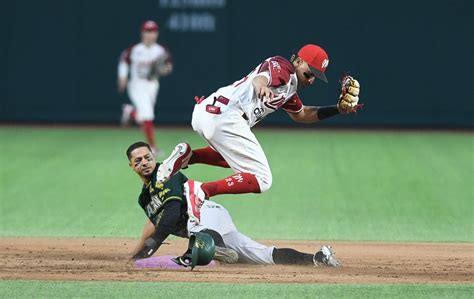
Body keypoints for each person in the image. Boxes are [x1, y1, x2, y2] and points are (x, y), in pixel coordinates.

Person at [156, 44, 361, 202]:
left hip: (205, 114)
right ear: (297, 61)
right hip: (227, 118)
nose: (311, 80)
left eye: (316, 77)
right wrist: (262, 87)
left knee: (235, 158)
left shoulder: (290, 88)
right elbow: (262, 79)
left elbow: (302, 114)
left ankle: (187, 156)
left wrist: (337, 109)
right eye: (309, 73)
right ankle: (201, 192)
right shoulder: (283, 68)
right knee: (262, 179)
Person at [127, 141, 339, 267]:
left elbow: (172, 213)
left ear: (154, 157)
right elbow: (154, 223)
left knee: (194, 227)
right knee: (261, 254)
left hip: (204, 212)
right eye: (138, 161)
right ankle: (317, 259)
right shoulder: (144, 198)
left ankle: (215, 247)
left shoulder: (166, 173)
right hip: (214, 224)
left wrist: (153, 245)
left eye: (147, 157)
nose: (144, 162)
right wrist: (137, 253)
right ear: (131, 166)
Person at [118, 20, 173, 155]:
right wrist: (123, 77)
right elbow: (124, 61)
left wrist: (163, 70)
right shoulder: (135, 50)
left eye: (153, 31)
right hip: (137, 84)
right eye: (148, 31)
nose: (150, 34)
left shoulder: (160, 50)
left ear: (157, 33)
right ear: (143, 33)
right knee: (147, 115)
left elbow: (168, 67)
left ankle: (130, 112)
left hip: (152, 84)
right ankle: (153, 147)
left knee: (143, 116)